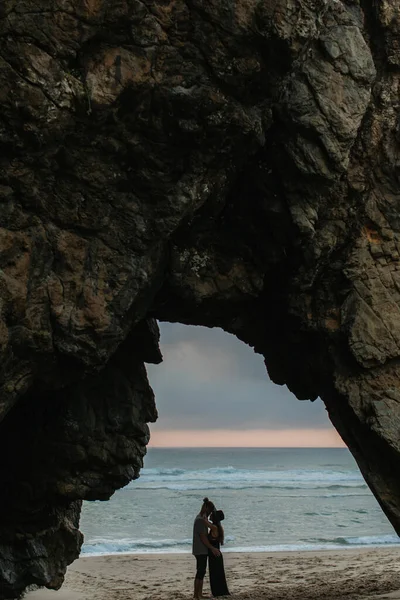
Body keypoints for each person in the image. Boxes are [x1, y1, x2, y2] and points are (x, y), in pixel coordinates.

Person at [192, 497, 221, 599]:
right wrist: (212, 548)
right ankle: (196, 595)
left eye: (210, 513)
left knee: (202, 571)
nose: (209, 515)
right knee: (200, 572)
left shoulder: (201, 518)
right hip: (200, 550)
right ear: (204, 508)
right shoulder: (200, 520)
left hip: (201, 549)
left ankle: (199, 594)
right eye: (208, 512)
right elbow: (203, 537)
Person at [208, 509, 230, 597]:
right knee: (217, 574)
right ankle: (219, 592)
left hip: (214, 554)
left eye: (212, 514)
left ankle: (218, 592)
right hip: (217, 554)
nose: (210, 515)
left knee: (215, 574)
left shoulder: (214, 527)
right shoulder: (218, 527)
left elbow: (204, 521)